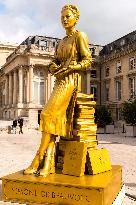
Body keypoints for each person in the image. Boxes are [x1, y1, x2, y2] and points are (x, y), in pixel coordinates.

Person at [24, 4, 92, 177]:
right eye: (62, 17)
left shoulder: (80, 36)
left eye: (68, 16)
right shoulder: (61, 41)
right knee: (53, 121)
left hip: (71, 80)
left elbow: (88, 61)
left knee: (46, 115)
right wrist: (54, 68)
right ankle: (48, 165)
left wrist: (71, 68)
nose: (64, 19)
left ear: (76, 18)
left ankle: (37, 159)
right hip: (60, 81)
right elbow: (55, 61)